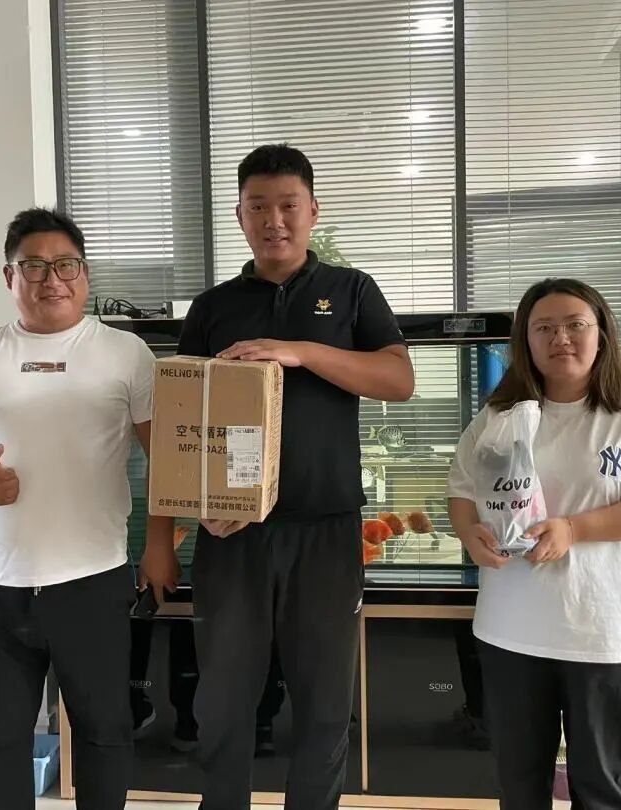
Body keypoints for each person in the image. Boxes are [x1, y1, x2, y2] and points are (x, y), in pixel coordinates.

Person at [0, 208, 179, 810]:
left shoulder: (126, 353)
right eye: (33, 266)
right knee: (1, 743)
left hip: (91, 581)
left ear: (84, 274)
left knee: (105, 735)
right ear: (10, 277)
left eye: (65, 265)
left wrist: (159, 542)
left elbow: (166, 455)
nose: (51, 279)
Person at [176, 143, 415, 810]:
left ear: (312, 211)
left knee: (324, 703)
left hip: (326, 530)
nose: (273, 220)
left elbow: (398, 379)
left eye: (287, 205)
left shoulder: (352, 290)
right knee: (223, 702)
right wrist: (197, 505)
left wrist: (301, 352)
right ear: (239, 215)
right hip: (232, 534)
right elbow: (183, 416)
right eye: (258, 207)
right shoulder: (214, 307)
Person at [446, 278, 621, 810]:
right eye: (544, 328)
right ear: (526, 342)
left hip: (604, 632)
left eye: (575, 325)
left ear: (601, 333)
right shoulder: (499, 417)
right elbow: (462, 491)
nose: (561, 338)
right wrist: (469, 532)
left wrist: (574, 530)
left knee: (604, 789)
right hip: (511, 632)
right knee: (519, 788)